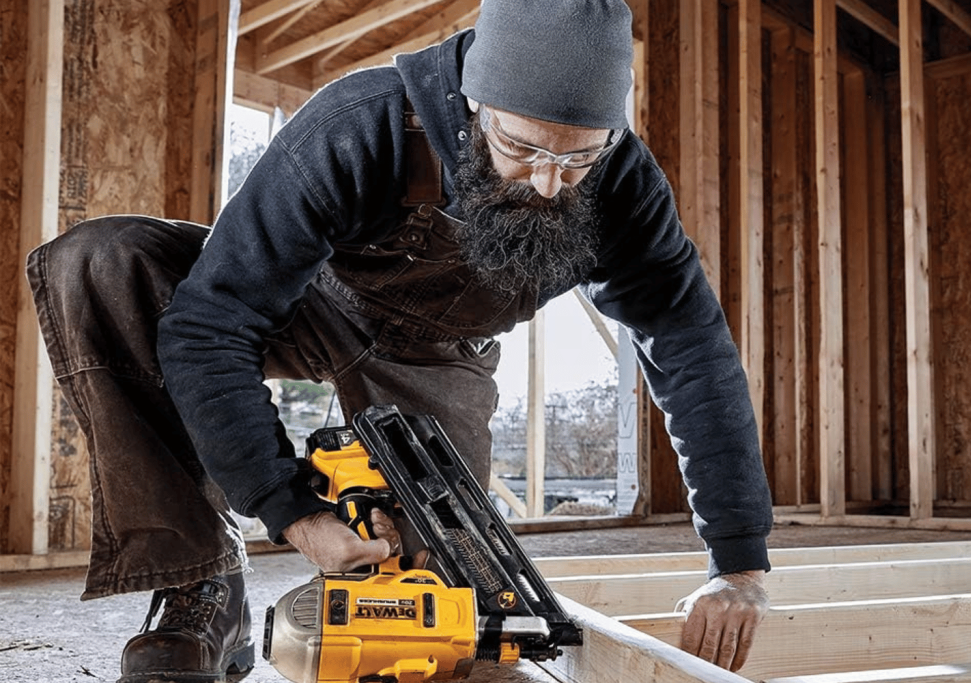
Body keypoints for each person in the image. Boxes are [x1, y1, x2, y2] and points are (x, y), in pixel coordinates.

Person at [26, 0, 774, 680]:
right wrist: (291, 510)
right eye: (522, 148)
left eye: (578, 158)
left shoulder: (626, 189)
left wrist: (738, 561)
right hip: (310, 303)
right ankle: (197, 587)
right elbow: (211, 321)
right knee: (101, 261)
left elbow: (692, 353)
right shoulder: (357, 125)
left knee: (444, 611)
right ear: (476, 103)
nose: (548, 184)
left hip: (440, 355)